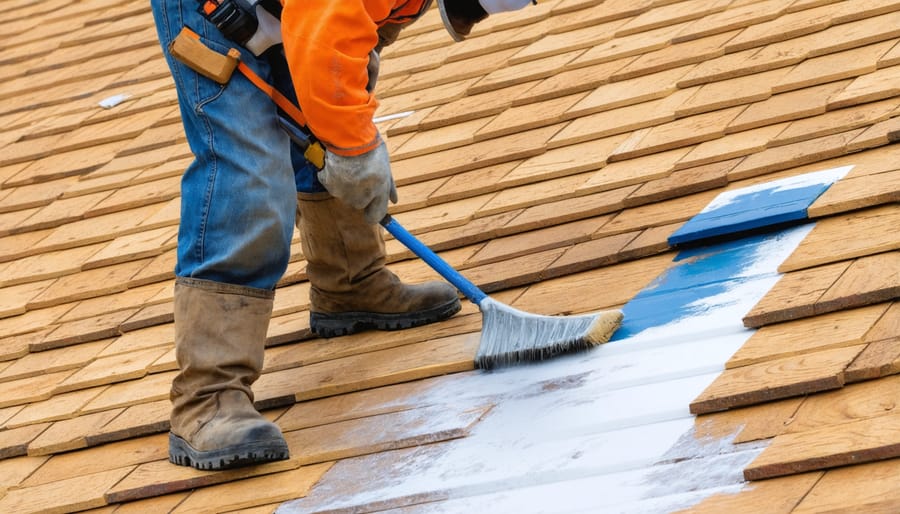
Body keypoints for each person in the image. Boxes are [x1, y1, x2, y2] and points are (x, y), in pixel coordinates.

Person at [150, 0, 537, 471]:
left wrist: (348, 120)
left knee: (323, 120)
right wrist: (355, 149)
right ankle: (207, 398)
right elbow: (326, 31)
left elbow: (351, 40)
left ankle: (351, 281)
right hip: (211, 10)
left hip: (294, 10)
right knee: (249, 174)